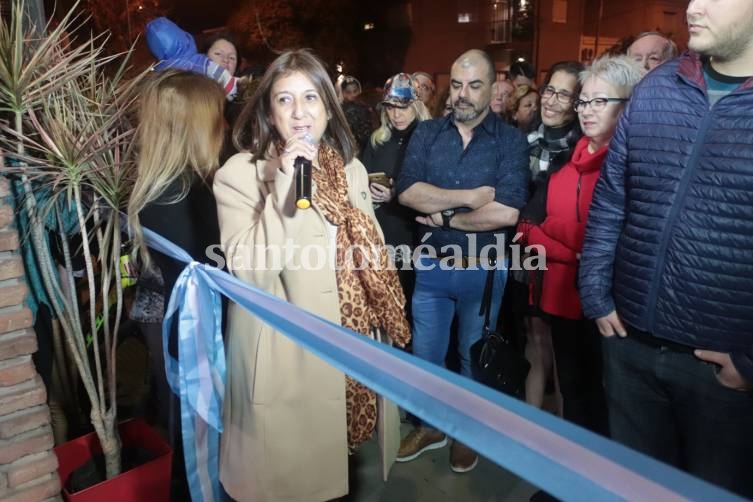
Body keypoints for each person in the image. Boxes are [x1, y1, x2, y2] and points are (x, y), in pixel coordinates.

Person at [214, 49, 411, 501]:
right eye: (284, 100)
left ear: (328, 106)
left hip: (352, 347)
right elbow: (251, 274)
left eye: (310, 97)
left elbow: (371, 254)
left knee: (337, 477)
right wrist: (287, 180)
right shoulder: (241, 175)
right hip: (288, 361)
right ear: (268, 111)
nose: (300, 112)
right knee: (290, 484)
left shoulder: (352, 170)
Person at [579, 0, 753, 497]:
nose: (693, 6)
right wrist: (595, 290)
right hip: (627, 344)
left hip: (723, 372)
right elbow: (613, 199)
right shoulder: (657, 87)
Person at [396, 49, 529, 473]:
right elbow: (407, 191)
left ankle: (467, 433)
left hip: (485, 271)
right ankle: (431, 425)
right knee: (426, 354)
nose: (463, 94)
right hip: (432, 267)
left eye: (474, 85)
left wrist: (445, 214)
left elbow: (507, 212)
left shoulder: (509, 141)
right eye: (456, 84)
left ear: (492, 89)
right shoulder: (428, 133)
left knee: (474, 355)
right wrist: (470, 199)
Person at [519, 55, 642, 436]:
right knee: (573, 396)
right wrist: (573, 249)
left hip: (611, 309)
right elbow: (525, 229)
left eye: (599, 101)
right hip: (560, 301)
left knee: (609, 407)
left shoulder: (634, 167)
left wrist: (557, 230)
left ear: (629, 106)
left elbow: (621, 241)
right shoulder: (563, 168)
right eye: (584, 101)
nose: (587, 111)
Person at [126, 70, 226, 499]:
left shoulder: (153, 188)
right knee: (200, 437)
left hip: (167, 327)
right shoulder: (195, 192)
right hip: (196, 339)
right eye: (219, 116)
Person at [517, 61, 584, 410]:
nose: (552, 101)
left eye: (564, 94)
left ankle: (562, 428)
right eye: (549, 90)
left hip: (562, 266)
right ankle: (530, 424)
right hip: (524, 255)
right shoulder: (523, 139)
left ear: (578, 104)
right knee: (534, 335)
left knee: (563, 348)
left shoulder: (581, 149)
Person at [361, 73, 431, 316]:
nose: (396, 114)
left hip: (414, 235)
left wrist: (397, 194)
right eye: (390, 107)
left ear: (417, 105)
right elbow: (362, 179)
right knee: (380, 307)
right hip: (379, 233)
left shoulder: (429, 139)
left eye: (404, 107)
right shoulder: (377, 139)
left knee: (409, 306)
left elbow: (434, 193)